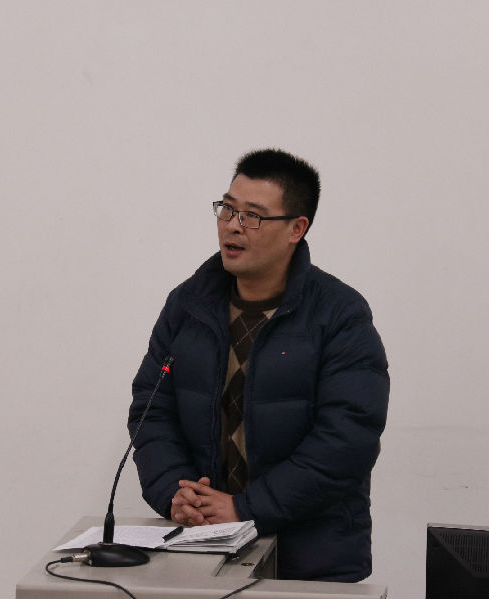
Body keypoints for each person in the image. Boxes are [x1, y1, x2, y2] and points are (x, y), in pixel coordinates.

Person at [129, 148, 389, 582]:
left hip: (313, 559)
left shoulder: (339, 315)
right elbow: (151, 410)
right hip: (204, 552)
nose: (233, 225)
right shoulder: (187, 305)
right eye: (227, 209)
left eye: (253, 216)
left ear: (296, 229)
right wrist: (175, 491)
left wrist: (246, 508)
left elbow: (348, 439)